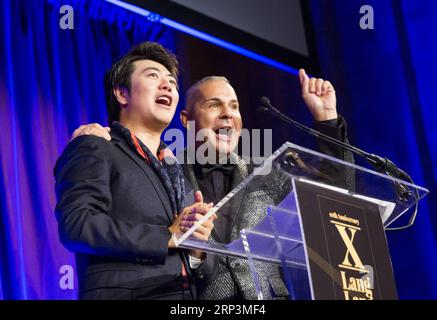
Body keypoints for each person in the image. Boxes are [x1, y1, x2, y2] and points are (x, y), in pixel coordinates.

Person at [72, 69, 353, 299]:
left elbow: (333, 197)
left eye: (234, 106)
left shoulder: (269, 171)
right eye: (214, 105)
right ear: (186, 119)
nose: (228, 113)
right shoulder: (163, 172)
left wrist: (326, 119)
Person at [54, 41, 216, 300]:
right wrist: (166, 236)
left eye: (172, 83)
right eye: (153, 76)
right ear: (121, 93)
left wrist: (197, 248)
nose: (168, 86)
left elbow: (196, 264)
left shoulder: (178, 170)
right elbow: (76, 225)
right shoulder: (95, 146)